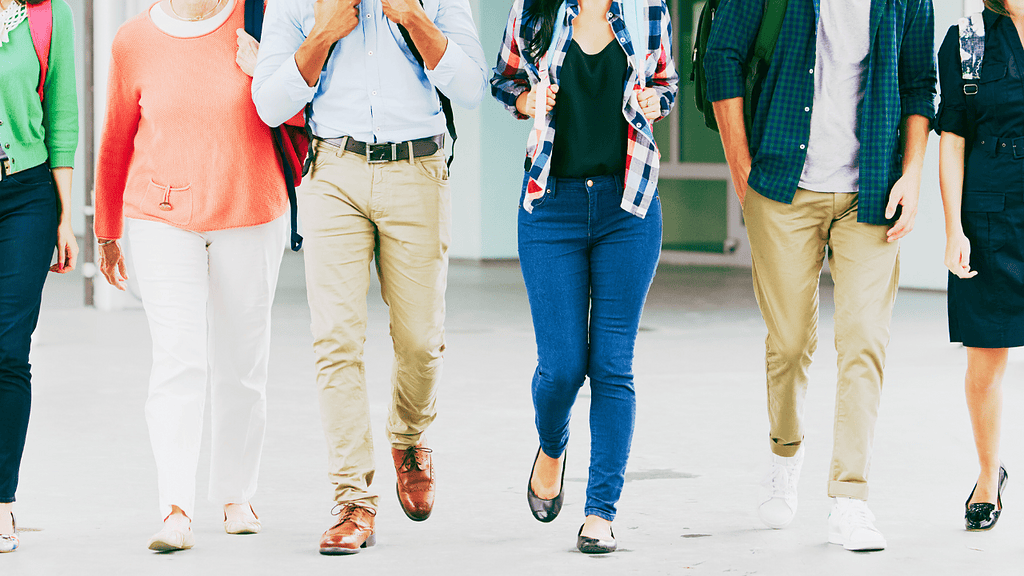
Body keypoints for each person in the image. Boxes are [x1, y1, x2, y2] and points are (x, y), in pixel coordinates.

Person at [252, 0, 487, 555]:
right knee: (336, 339)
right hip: (333, 170)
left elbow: (473, 87)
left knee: (421, 341)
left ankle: (408, 436)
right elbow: (268, 102)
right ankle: (353, 500)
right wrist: (325, 33)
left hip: (418, 169)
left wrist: (414, 18)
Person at [705, 0, 935, 551]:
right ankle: (786, 451)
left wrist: (912, 173)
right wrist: (741, 167)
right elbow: (722, 57)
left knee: (864, 340)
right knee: (788, 344)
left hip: (871, 190)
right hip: (783, 184)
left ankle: (849, 498)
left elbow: (921, 83)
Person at [95, 0, 292, 552]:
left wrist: (268, 71)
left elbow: (302, 111)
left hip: (251, 209)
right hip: (160, 218)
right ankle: (175, 508)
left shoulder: (263, 19)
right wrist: (106, 227)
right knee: (178, 359)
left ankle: (236, 494)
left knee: (243, 360)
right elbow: (115, 139)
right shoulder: (133, 40)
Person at [491, 0, 677, 554]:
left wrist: (655, 100)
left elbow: (665, 81)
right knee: (562, 368)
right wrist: (527, 99)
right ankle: (552, 446)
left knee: (612, 364)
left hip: (629, 208)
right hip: (552, 208)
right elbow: (504, 81)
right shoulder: (534, 9)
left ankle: (601, 511)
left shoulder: (649, 10)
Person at [937, 0, 1024, 532]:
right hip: (992, 217)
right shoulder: (968, 38)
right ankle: (988, 477)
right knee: (986, 364)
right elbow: (952, 139)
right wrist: (954, 230)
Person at [0, 0, 78, 554]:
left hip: (24, 196)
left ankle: (2, 501)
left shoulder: (48, 16)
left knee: (7, 350)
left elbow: (63, 118)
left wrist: (66, 218)